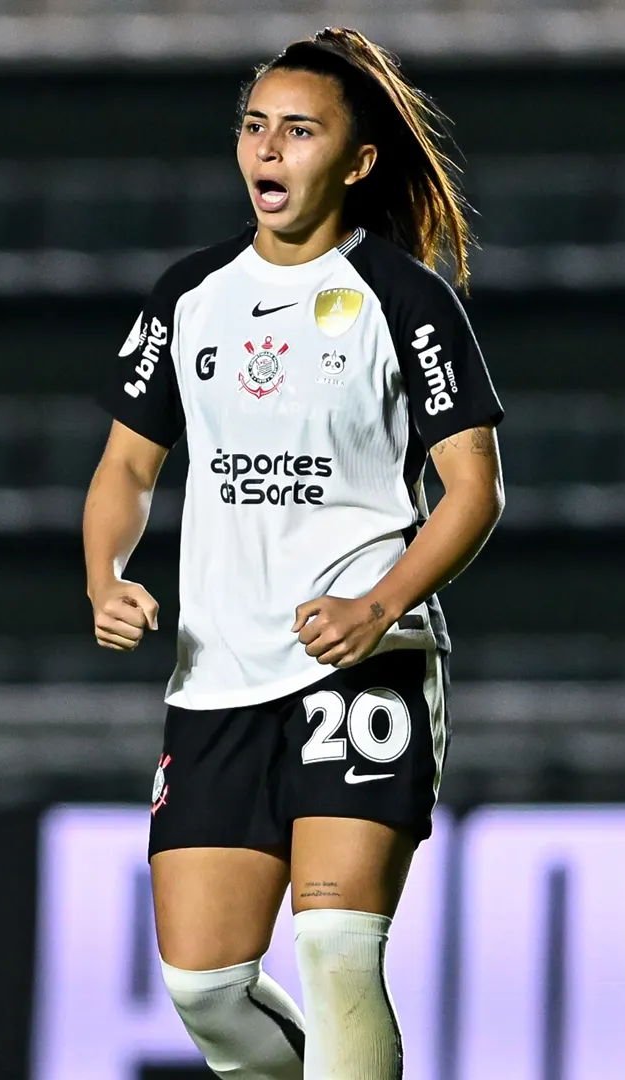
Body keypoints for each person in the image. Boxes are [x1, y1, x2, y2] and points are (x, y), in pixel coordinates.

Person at [82, 27, 505, 1080]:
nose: (268, 150)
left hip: (363, 664)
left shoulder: (405, 302)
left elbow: (474, 492)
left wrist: (379, 603)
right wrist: (106, 577)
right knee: (206, 992)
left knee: (334, 948)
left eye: (299, 131)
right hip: (217, 676)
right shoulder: (189, 298)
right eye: (255, 127)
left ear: (356, 162)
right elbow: (126, 471)